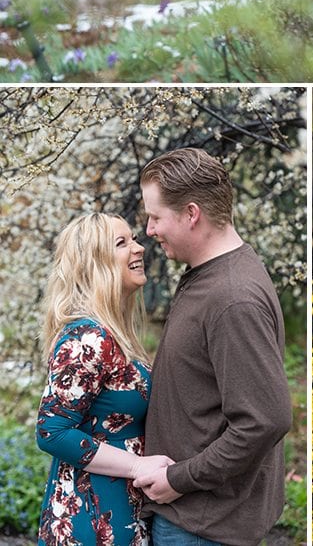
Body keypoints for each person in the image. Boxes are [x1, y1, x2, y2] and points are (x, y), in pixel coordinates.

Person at [133, 147, 292, 546]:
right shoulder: (209, 276)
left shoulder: (232, 297)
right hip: (194, 519)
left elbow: (264, 420)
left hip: (201, 526)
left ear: (191, 214)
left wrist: (178, 479)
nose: (149, 231)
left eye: (155, 217)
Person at [36, 212, 173, 546]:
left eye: (134, 239)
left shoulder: (111, 334)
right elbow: (51, 432)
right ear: (94, 263)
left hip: (117, 512)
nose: (139, 248)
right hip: (90, 519)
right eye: (121, 243)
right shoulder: (87, 337)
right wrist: (138, 466)